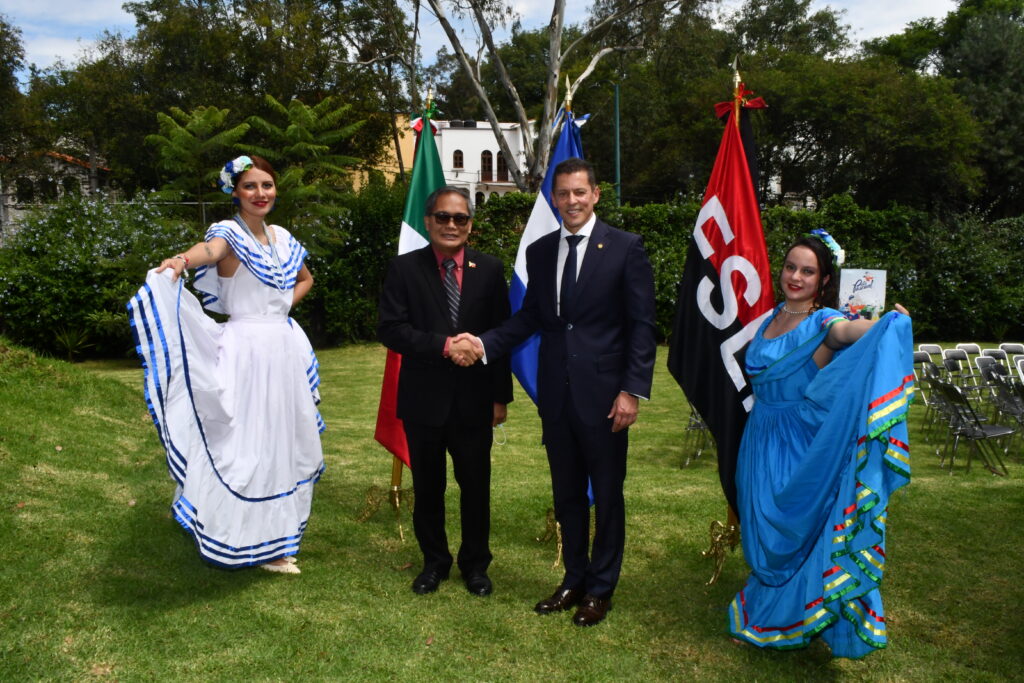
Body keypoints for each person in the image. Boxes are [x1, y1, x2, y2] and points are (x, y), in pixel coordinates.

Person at [451, 158, 657, 626]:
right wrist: (483, 343)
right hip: (557, 397)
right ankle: (573, 579)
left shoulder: (626, 248)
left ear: (596, 194)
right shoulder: (542, 251)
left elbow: (641, 328)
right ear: (555, 198)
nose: (571, 202)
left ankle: (600, 589)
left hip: (606, 397)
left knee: (606, 494)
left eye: (579, 192)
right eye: (562, 194)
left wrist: (631, 392)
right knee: (566, 494)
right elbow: (531, 319)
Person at [127, 155, 323, 575]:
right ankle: (233, 527)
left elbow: (305, 278)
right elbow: (208, 251)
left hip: (283, 349)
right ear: (235, 192)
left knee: (282, 444)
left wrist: (280, 308)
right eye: (250, 186)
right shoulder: (229, 234)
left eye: (267, 185)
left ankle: (276, 541)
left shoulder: (284, 239)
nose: (260, 194)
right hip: (247, 352)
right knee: (244, 443)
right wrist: (181, 261)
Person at [727, 229, 913, 658]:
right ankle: (768, 608)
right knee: (761, 529)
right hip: (759, 438)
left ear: (823, 281)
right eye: (791, 267)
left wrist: (890, 323)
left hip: (799, 443)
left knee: (796, 530)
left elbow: (852, 332)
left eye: (807, 271)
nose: (795, 276)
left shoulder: (824, 323)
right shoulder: (771, 318)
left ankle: (804, 613)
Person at [377, 186, 513, 597]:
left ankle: (476, 566)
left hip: (474, 401)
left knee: (476, 488)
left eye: (460, 218)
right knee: (429, 489)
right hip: (424, 401)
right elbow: (391, 329)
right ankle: (434, 563)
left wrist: (500, 397)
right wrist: (444, 346)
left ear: (470, 224)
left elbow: (502, 334)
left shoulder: (489, 269)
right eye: (443, 217)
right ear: (428, 220)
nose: (451, 225)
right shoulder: (403, 269)